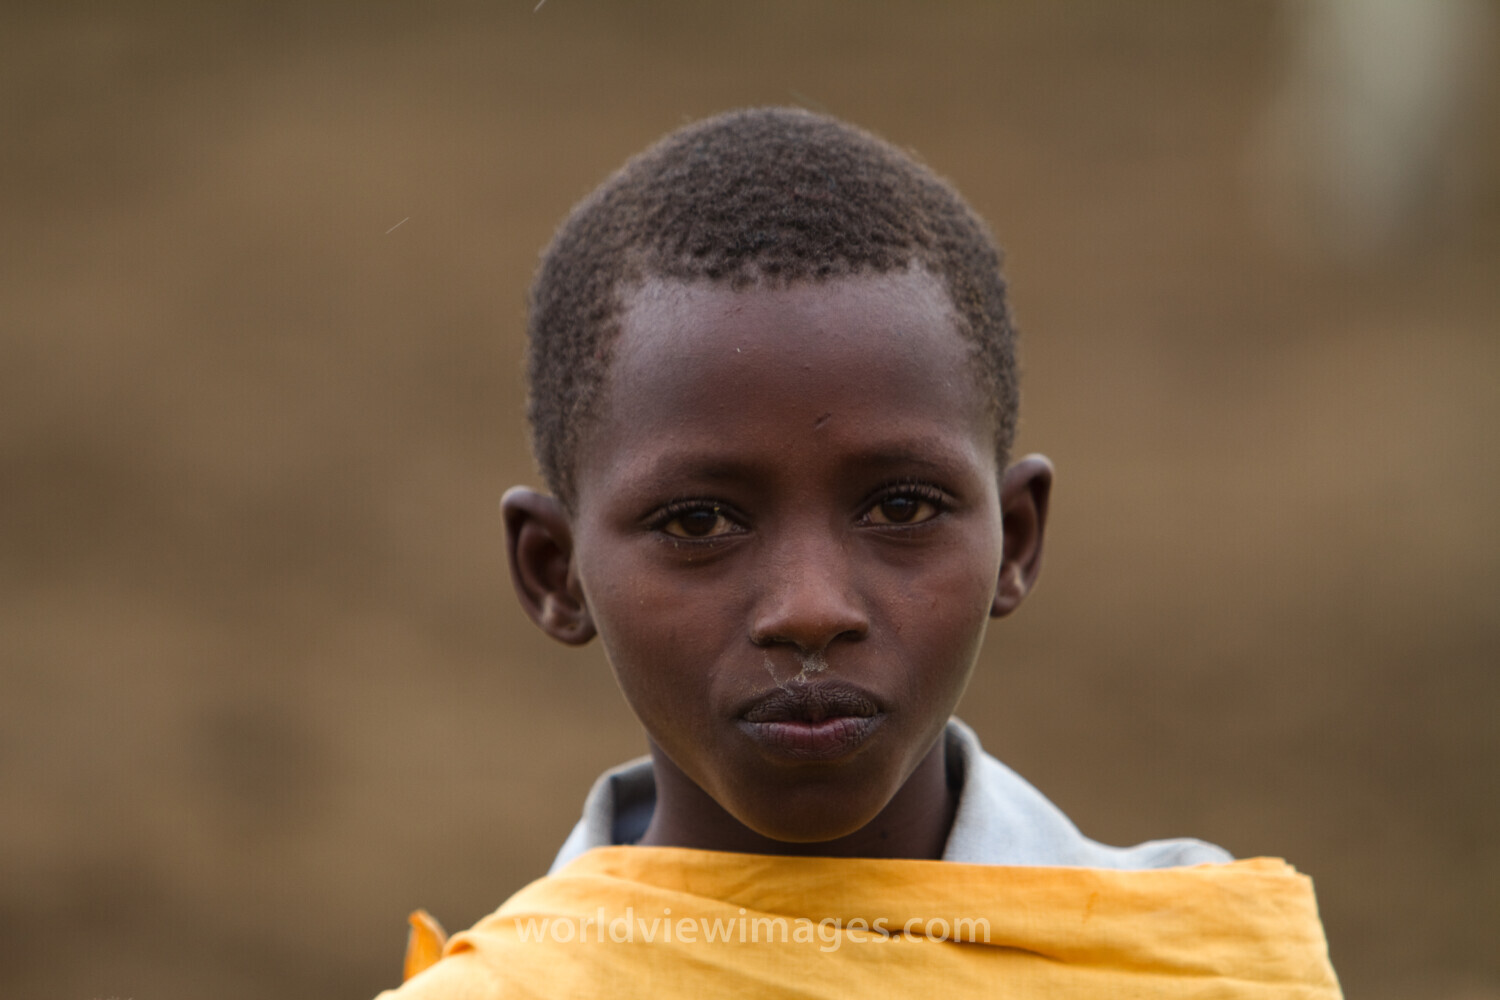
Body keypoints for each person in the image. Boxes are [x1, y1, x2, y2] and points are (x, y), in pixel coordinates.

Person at [377, 107, 1341, 998]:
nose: (808, 608)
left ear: (1017, 540)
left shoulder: (1194, 969)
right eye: (699, 524)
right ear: (556, 572)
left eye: (903, 506)